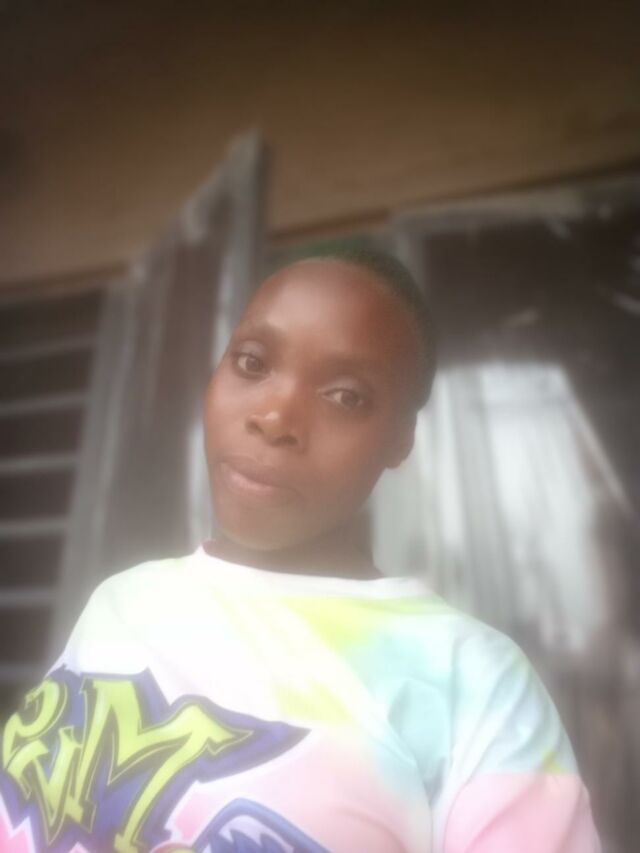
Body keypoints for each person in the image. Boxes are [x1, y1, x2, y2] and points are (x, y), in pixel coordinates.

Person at [0, 249, 601, 852]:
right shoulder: (121, 601)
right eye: (251, 362)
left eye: (345, 396)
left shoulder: (471, 682)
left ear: (400, 439)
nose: (274, 417)